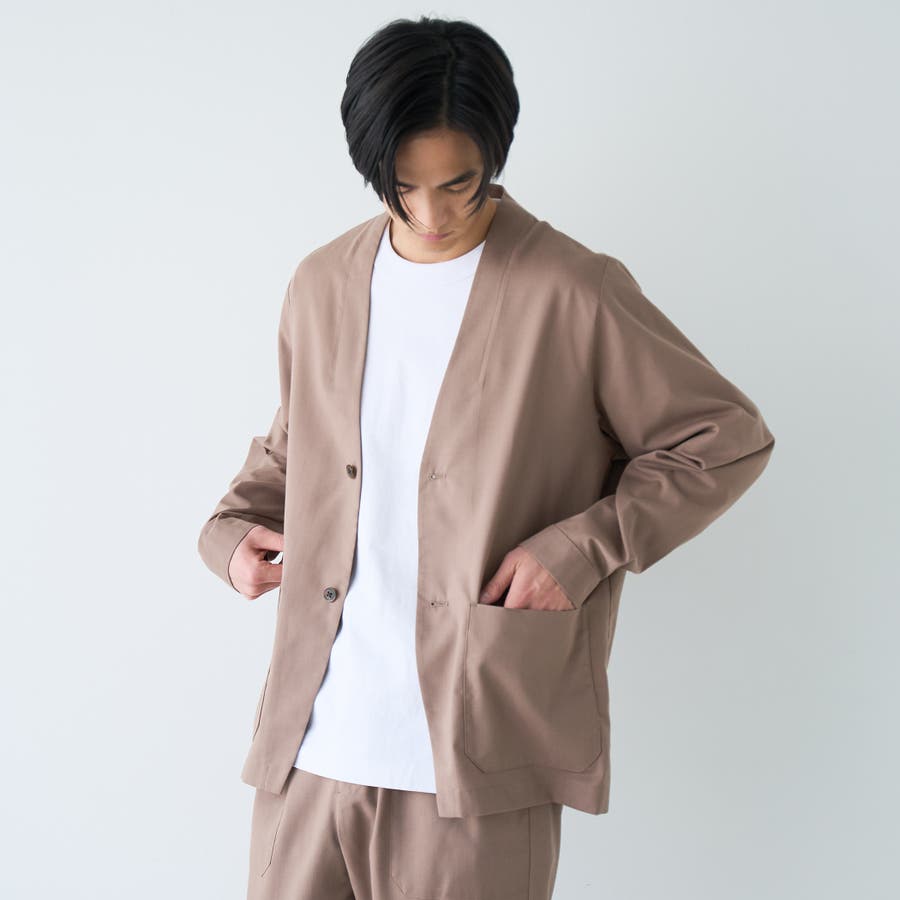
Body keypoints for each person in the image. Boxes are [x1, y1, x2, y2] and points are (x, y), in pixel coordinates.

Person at [197, 16, 776, 900]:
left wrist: (582, 549)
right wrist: (232, 535)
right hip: (311, 750)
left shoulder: (572, 290)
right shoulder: (321, 284)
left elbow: (722, 438)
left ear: (494, 156)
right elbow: (294, 449)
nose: (431, 215)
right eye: (401, 188)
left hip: (473, 759)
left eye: (457, 184)